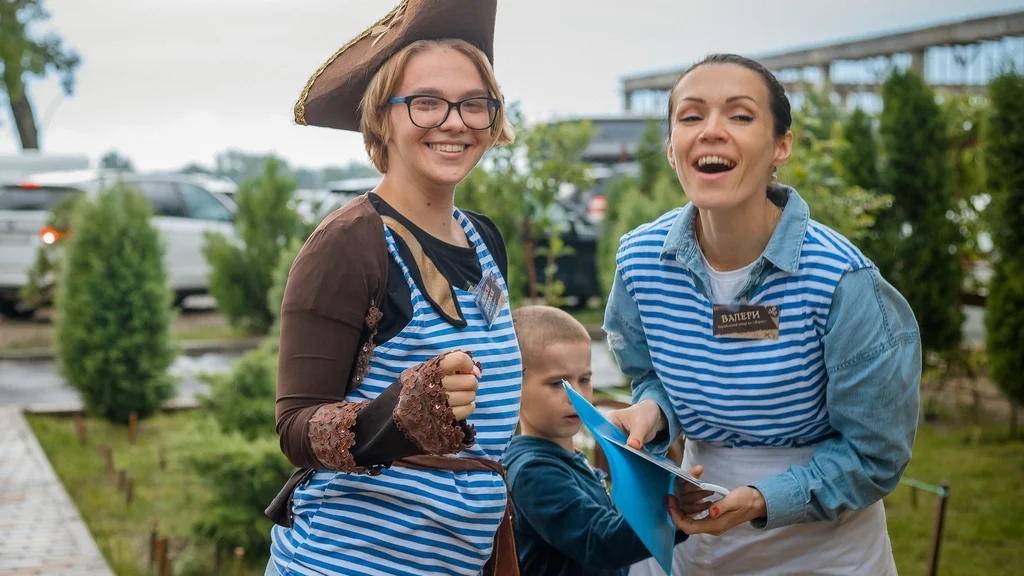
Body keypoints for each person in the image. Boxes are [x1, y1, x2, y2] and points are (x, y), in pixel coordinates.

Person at [603, 53, 921, 575]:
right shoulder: (640, 262)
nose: (711, 130)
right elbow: (650, 376)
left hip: (822, 545)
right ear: (672, 150)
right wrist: (652, 413)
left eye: (740, 115)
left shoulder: (842, 280)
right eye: (691, 116)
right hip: (690, 524)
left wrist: (761, 499)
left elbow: (875, 454)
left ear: (781, 147)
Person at [264, 2, 523, 575]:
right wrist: (400, 415)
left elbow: (490, 421)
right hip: (346, 561)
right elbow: (295, 429)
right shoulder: (349, 243)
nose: (454, 121)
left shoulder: (484, 239)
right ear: (382, 117)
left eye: (474, 103)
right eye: (426, 102)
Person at [503, 305, 691, 576]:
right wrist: (673, 514)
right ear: (514, 386)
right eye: (557, 383)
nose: (576, 396)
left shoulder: (565, 458)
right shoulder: (534, 472)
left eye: (584, 379)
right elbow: (600, 541)